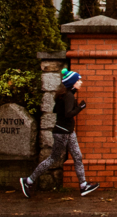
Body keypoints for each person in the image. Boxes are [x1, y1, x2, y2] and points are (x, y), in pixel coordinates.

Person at [20, 68, 99, 197]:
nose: (81, 82)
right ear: (72, 82)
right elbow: (68, 114)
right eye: (78, 80)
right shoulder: (68, 96)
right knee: (53, 158)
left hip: (68, 131)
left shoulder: (65, 95)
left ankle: (83, 185)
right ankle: (28, 181)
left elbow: (56, 109)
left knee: (77, 157)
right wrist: (80, 108)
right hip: (62, 133)